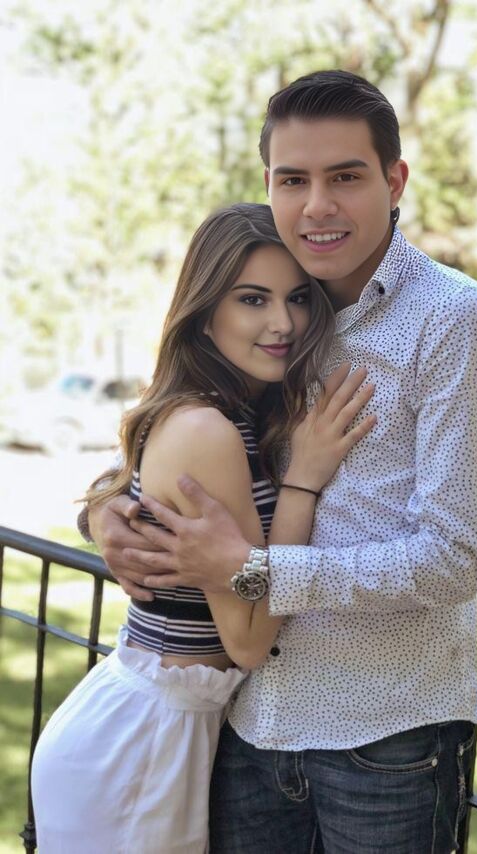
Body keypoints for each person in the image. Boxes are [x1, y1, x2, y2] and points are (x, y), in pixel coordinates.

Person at [85, 71, 477, 853]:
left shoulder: (453, 318)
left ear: (394, 182)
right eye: (294, 180)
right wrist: (108, 508)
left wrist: (256, 572)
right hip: (251, 721)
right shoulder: (287, 302)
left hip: (386, 737)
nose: (317, 205)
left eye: (345, 177)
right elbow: (195, 425)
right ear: (269, 186)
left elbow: (452, 559)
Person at [31, 202, 376, 854]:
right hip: (142, 746)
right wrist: (303, 481)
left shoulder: (234, 411)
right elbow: (247, 641)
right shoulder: (207, 428)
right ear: (205, 311)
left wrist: (102, 509)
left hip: (168, 730)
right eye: (253, 299)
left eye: (298, 298)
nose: (283, 323)